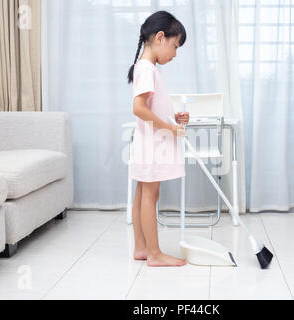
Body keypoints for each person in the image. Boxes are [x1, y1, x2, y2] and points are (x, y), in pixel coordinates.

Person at [127, 11, 189, 267]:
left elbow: (150, 106)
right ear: (160, 37)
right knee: (150, 197)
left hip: (147, 143)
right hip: (152, 145)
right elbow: (138, 108)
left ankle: (142, 248)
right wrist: (169, 128)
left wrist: (173, 116)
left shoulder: (146, 68)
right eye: (175, 46)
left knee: (142, 195)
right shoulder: (146, 68)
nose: (175, 54)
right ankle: (155, 254)